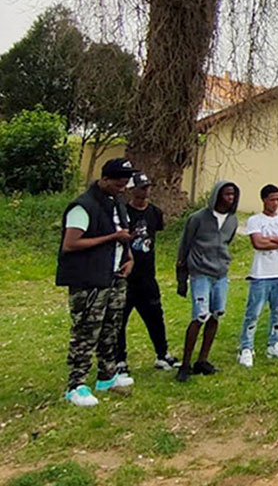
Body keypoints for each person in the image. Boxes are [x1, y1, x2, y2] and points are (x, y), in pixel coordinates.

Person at [57, 158, 136, 407]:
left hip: (114, 276)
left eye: (125, 184)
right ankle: (76, 385)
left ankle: (107, 376)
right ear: (104, 180)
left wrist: (129, 258)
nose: (122, 188)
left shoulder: (117, 204)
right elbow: (70, 244)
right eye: (118, 184)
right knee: (86, 332)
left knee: (111, 327)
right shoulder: (83, 206)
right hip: (88, 279)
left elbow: (124, 236)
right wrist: (112, 236)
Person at [176, 180, 239, 382]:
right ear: (217, 195)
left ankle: (202, 360)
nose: (230, 198)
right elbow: (184, 246)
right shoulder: (198, 218)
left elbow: (226, 243)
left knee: (215, 315)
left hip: (220, 274)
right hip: (200, 273)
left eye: (233, 195)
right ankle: (185, 364)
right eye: (227, 194)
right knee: (199, 316)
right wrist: (182, 278)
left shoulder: (232, 220)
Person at [116, 171, 178, 372]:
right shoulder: (123, 212)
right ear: (132, 190)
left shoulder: (155, 213)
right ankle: (119, 360)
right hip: (126, 274)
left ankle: (162, 354)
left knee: (155, 316)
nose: (145, 191)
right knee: (119, 320)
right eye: (141, 187)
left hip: (147, 274)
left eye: (147, 187)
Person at [238, 184, 278, 366]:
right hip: (261, 274)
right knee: (253, 312)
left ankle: (275, 343)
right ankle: (246, 347)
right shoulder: (255, 220)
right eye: (272, 199)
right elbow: (258, 243)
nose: (275, 203)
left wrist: (272, 239)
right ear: (264, 200)